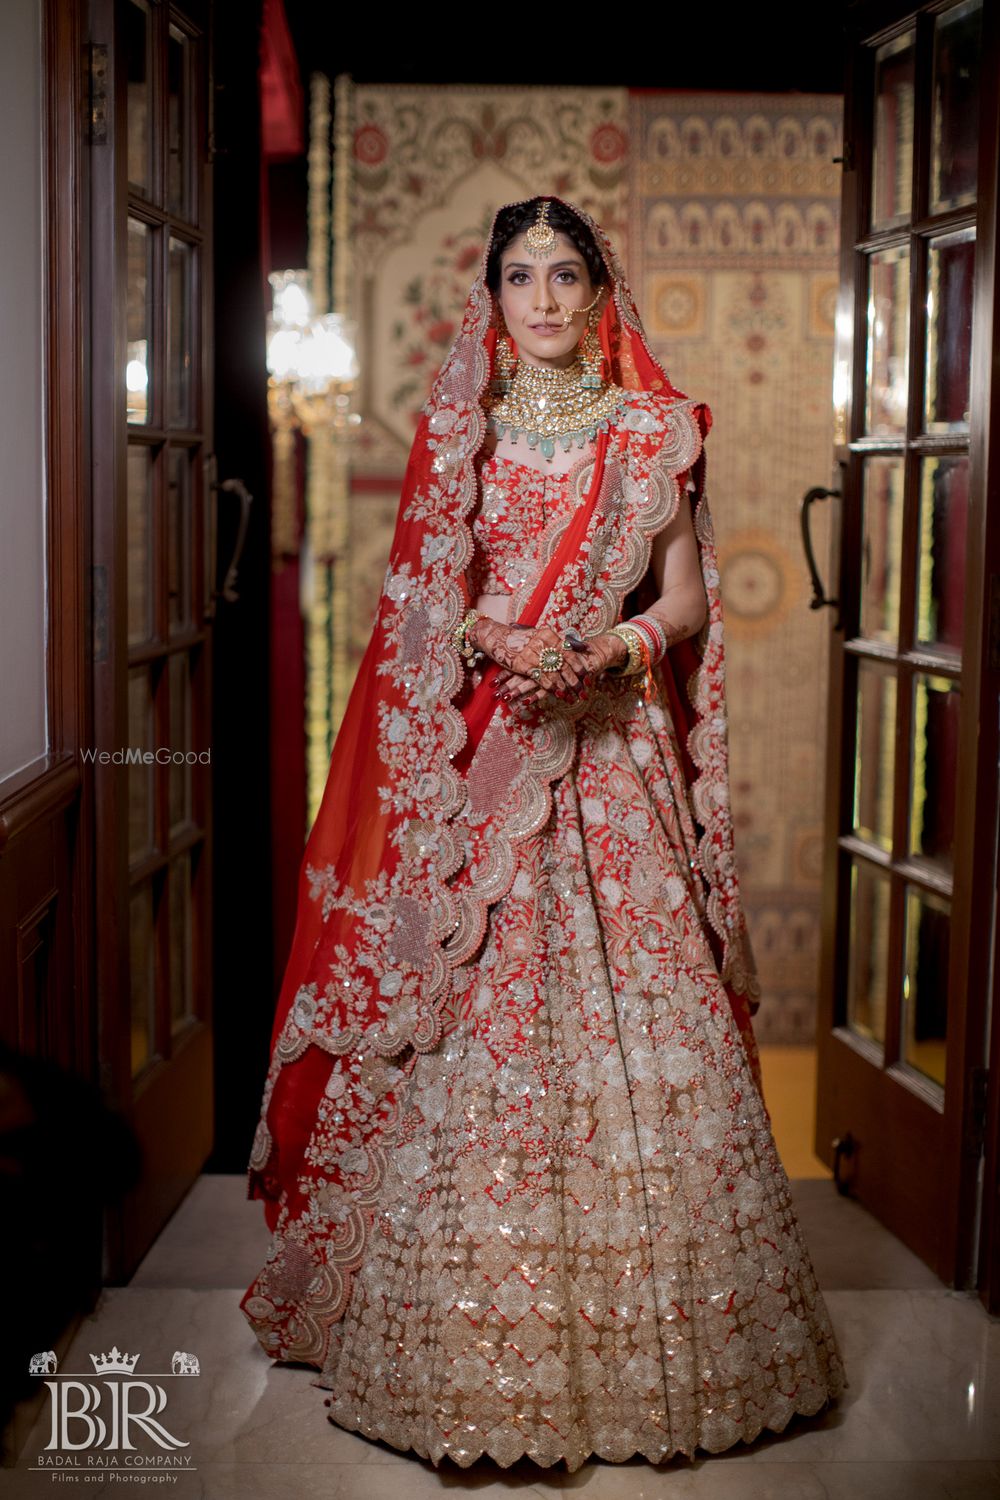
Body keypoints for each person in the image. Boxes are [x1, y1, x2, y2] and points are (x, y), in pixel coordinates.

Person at [240, 194, 847, 1471]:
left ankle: (673, 1339)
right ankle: (458, 1339)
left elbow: (684, 596)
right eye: (522, 278)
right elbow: (431, 602)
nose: (548, 301)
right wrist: (501, 640)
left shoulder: (649, 430)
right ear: (494, 298)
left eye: (567, 275)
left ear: (599, 289)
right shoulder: (462, 428)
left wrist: (615, 644)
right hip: (493, 751)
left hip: (614, 755)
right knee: (472, 1023)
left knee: (649, 1015)